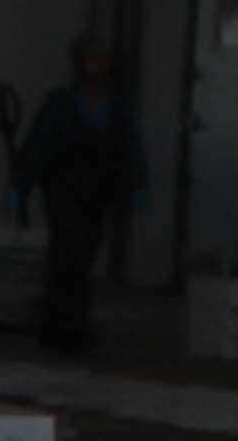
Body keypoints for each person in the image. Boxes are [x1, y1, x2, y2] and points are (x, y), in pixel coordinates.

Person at [11, 41, 145, 353]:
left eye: (100, 61)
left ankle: (75, 327)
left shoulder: (117, 107)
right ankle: (58, 329)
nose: (94, 68)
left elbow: (131, 148)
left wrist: (138, 185)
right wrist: (20, 186)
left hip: (98, 193)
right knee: (64, 259)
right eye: (89, 61)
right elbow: (37, 146)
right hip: (64, 190)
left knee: (82, 260)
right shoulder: (61, 103)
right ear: (78, 66)